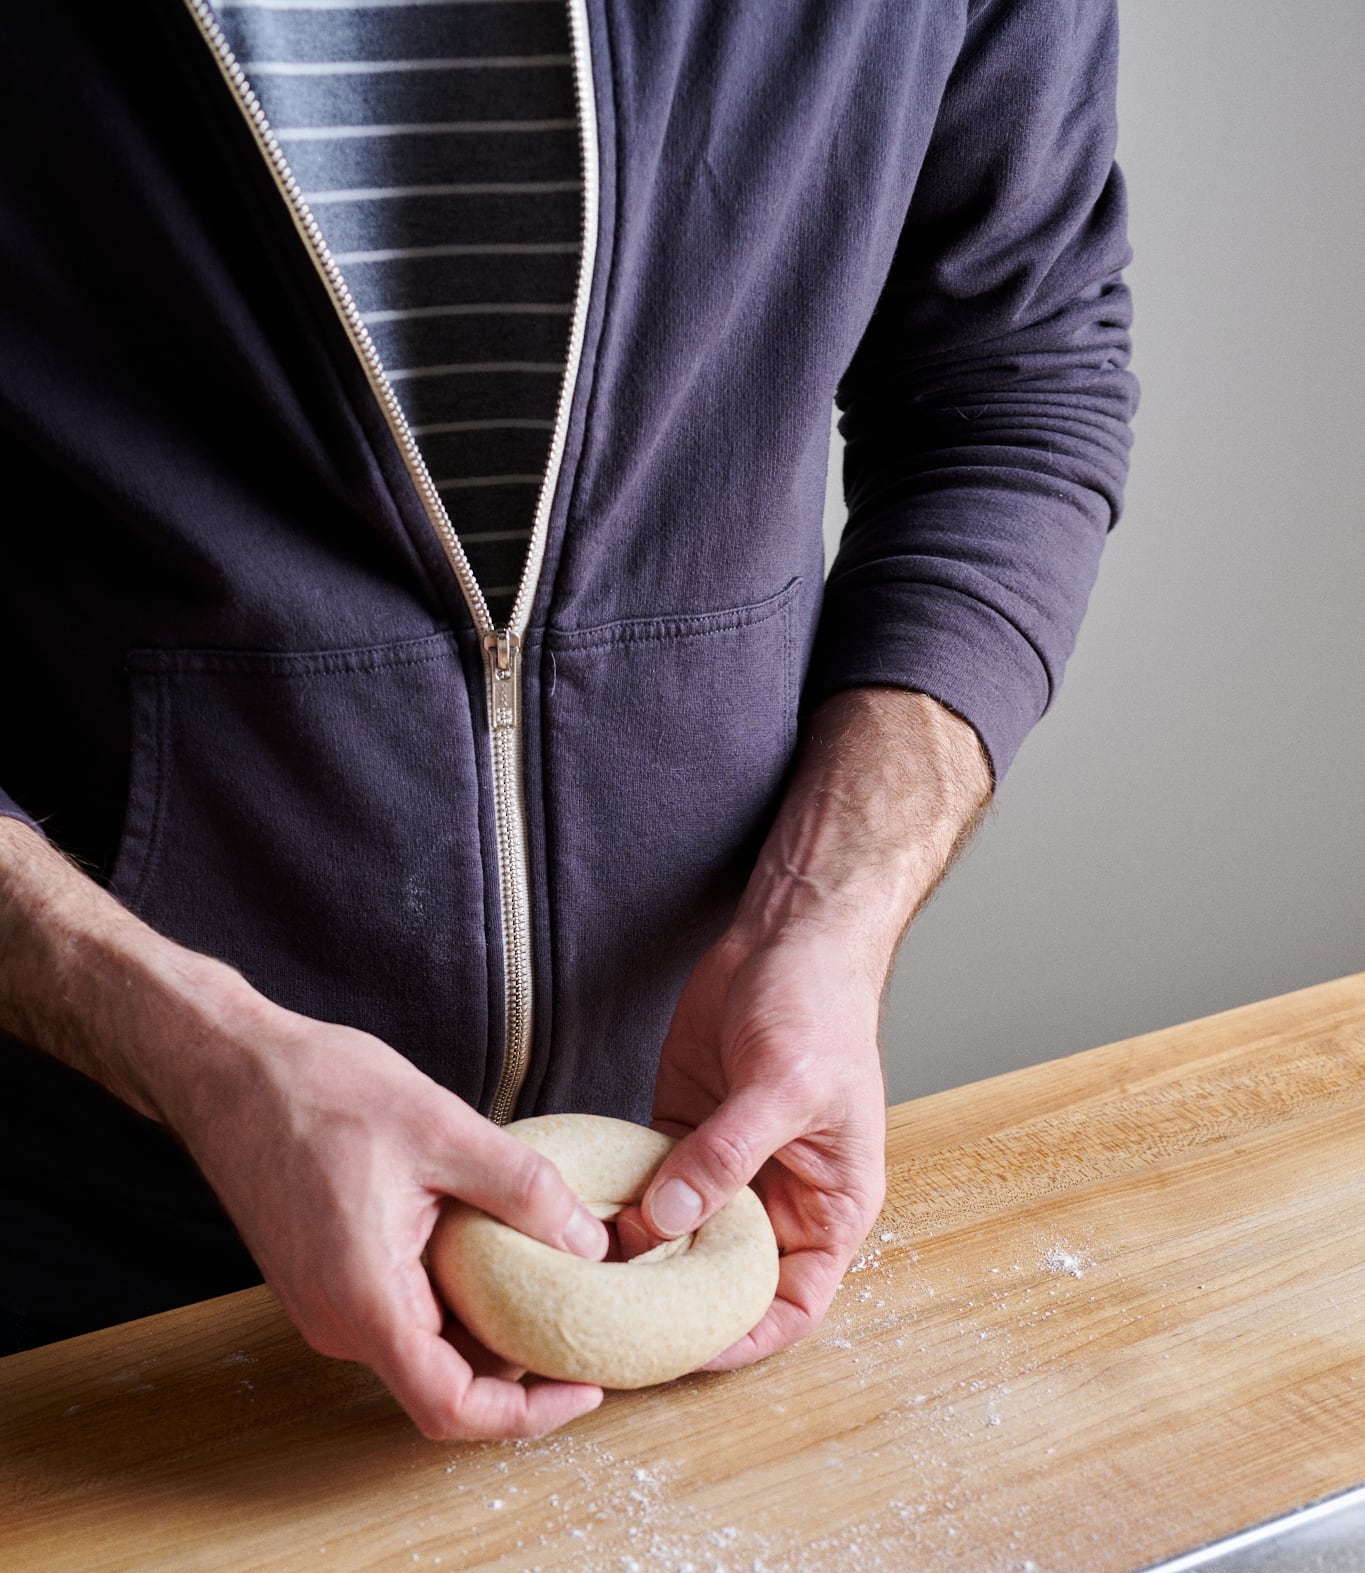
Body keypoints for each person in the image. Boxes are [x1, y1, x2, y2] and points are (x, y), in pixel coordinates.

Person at [0, 0, 1135, 1436]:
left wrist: (824, 911)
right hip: (67, 1205)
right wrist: (195, 1048)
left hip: (682, 1156)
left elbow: (1011, 383)